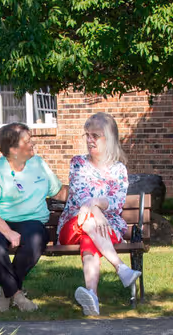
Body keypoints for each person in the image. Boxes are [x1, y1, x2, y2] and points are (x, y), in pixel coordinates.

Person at [0, 122, 66, 311]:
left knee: (36, 239)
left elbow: (59, 192)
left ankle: (5, 292)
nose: (33, 144)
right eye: (28, 141)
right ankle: (17, 296)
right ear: (14, 149)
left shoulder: (38, 164)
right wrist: (8, 232)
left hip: (31, 221)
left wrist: (87, 195)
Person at [59, 112, 138, 317]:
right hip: (73, 224)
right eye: (87, 135)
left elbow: (117, 201)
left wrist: (94, 205)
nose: (89, 140)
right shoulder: (78, 164)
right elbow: (80, 197)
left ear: (109, 138)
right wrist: (95, 208)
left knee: (90, 238)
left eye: (95, 135)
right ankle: (121, 268)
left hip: (105, 227)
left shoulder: (119, 170)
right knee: (89, 222)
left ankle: (92, 296)